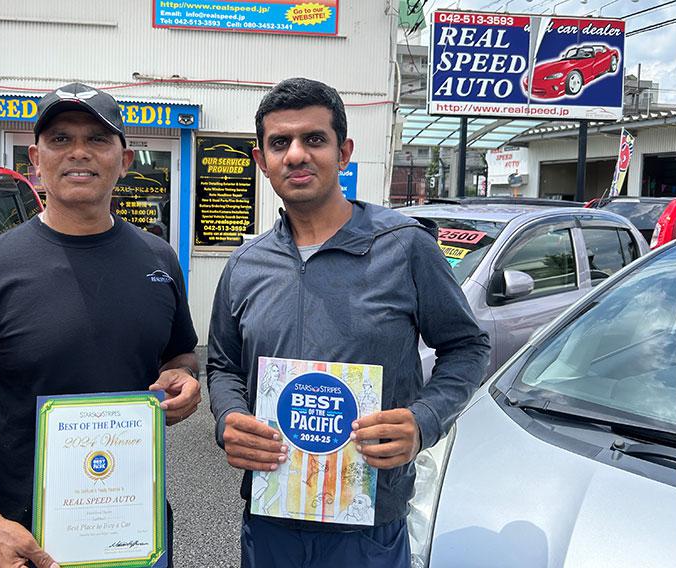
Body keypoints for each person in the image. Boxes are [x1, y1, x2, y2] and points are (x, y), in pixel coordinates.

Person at [206, 77, 490, 568]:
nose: (296, 154)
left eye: (314, 139)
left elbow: (467, 346)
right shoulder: (245, 264)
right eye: (280, 143)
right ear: (262, 160)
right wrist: (228, 418)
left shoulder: (404, 247)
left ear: (344, 153)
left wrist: (424, 421)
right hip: (272, 513)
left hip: (368, 521)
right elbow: (222, 364)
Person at [0, 82, 201, 568]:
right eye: (61, 139)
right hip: (23, 541)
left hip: (133, 532)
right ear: (35, 159)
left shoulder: (159, 261)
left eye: (97, 139)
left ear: (125, 160)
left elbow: (179, 355)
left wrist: (184, 377)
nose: (79, 153)